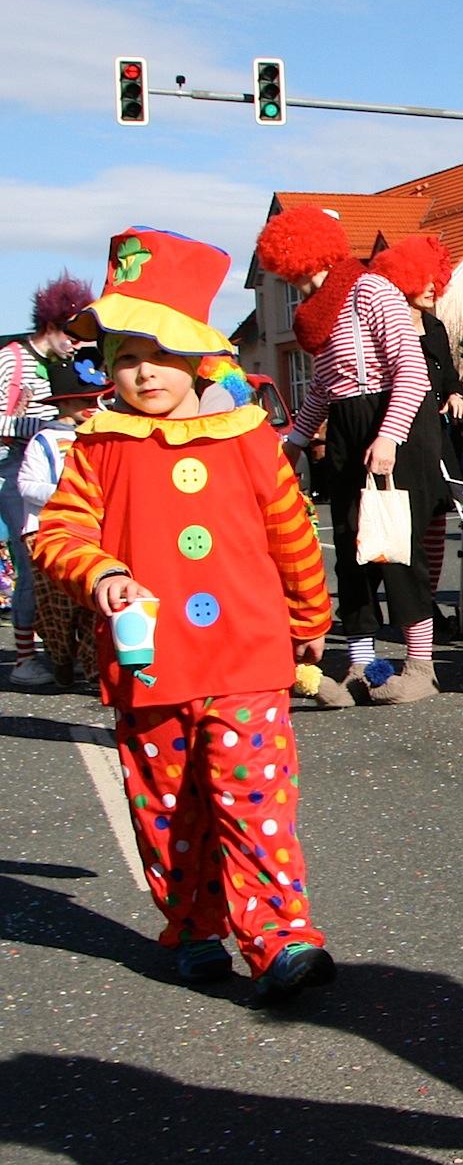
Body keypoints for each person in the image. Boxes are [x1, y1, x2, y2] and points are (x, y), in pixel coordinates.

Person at [33, 227, 336, 1003]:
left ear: (196, 357)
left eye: (158, 354)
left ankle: (280, 938)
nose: (142, 373)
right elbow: (60, 534)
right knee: (169, 811)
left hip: (247, 656)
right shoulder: (99, 446)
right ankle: (193, 925)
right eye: (125, 357)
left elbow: (292, 534)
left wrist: (309, 622)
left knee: (254, 802)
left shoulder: (245, 438)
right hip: (151, 665)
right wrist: (98, 571)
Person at [257, 207, 437, 704]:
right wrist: (292, 442)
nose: (297, 283)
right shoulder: (319, 313)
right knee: (351, 552)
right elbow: (323, 386)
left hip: (390, 422)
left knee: (395, 550)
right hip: (346, 425)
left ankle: (420, 667)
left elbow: (412, 371)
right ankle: (362, 662)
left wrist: (389, 436)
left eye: (297, 271)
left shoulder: (372, 290)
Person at [370, 235, 463, 634]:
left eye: (436, 280)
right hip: (393, 429)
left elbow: (447, 374)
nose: (432, 287)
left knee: (432, 519)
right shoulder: (383, 323)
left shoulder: (435, 327)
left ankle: (424, 601)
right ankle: (380, 599)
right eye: (423, 278)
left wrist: (456, 394)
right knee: (385, 520)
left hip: (431, 433)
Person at [1, 272, 94, 686]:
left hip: (47, 463)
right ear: (51, 324)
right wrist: (46, 426)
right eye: (70, 334)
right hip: (11, 468)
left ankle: (60, 651)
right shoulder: (12, 359)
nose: (75, 344)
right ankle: (24, 659)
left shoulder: (62, 366)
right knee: (29, 562)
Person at [18, 349, 111, 686]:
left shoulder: (97, 436)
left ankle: (93, 667)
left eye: (95, 398)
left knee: (90, 602)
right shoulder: (45, 440)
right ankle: (60, 659)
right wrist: (65, 493)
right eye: (82, 399)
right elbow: (26, 485)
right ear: (63, 404)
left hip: (86, 530)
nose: (92, 405)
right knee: (57, 607)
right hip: (43, 533)